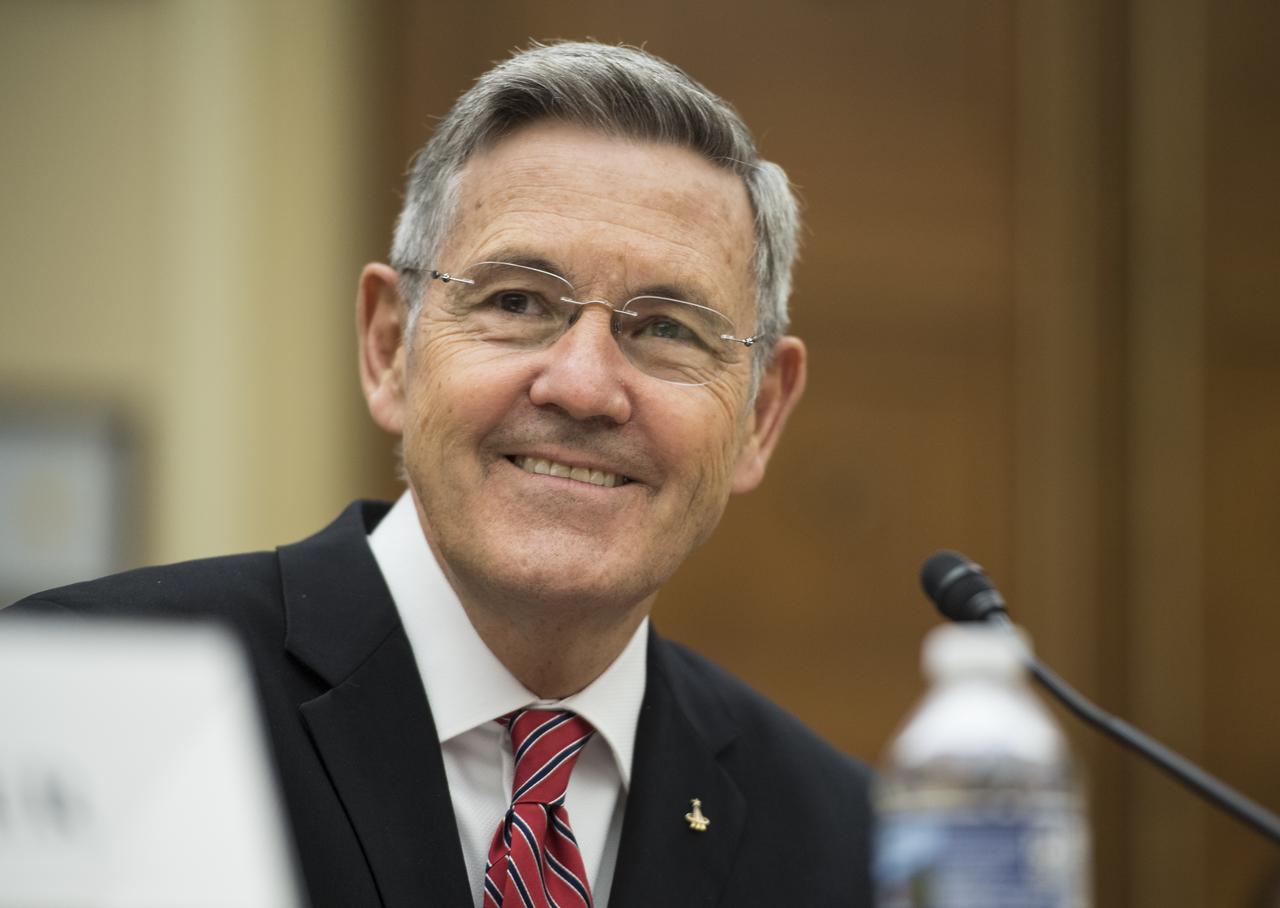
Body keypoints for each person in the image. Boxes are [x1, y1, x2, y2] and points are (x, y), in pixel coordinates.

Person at [8, 42, 873, 907]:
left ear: (761, 415)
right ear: (390, 347)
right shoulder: (76, 695)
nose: (581, 386)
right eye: (517, 302)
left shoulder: (845, 838)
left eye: (669, 329)